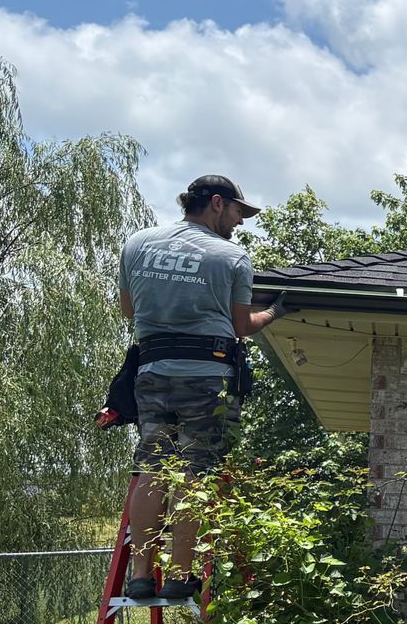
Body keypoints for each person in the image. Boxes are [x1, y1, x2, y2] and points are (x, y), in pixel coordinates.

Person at [117, 175, 287, 600]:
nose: (241, 223)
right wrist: (274, 313)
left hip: (152, 369)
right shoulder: (230, 256)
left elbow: (126, 309)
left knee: (153, 467)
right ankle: (178, 575)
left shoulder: (137, 243)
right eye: (238, 212)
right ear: (216, 203)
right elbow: (241, 326)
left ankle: (140, 575)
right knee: (194, 472)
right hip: (206, 374)